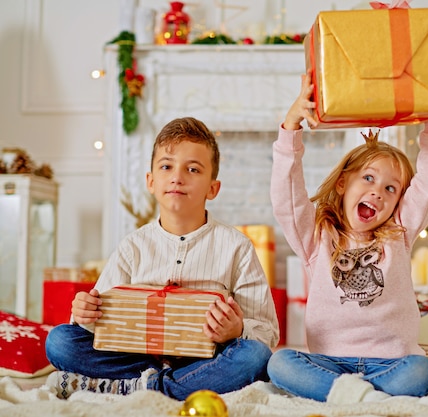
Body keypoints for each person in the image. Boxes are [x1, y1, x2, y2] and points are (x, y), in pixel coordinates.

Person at [45, 117, 279, 401]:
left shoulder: (236, 247)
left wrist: (237, 328)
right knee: (59, 341)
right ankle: (170, 384)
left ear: (212, 189)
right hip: (137, 358)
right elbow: (99, 323)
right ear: (151, 182)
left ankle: (141, 388)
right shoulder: (132, 247)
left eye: (193, 169)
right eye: (167, 166)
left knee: (254, 356)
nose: (177, 177)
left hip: (205, 360)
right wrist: (84, 313)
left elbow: (267, 333)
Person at [267, 72, 428, 403]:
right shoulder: (316, 237)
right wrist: (290, 129)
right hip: (329, 363)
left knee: (423, 372)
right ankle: (364, 397)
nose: (377, 192)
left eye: (390, 188)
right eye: (368, 178)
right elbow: (287, 197)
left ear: (398, 202)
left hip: (392, 363)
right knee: (280, 363)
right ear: (342, 184)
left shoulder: (400, 233)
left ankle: (350, 396)